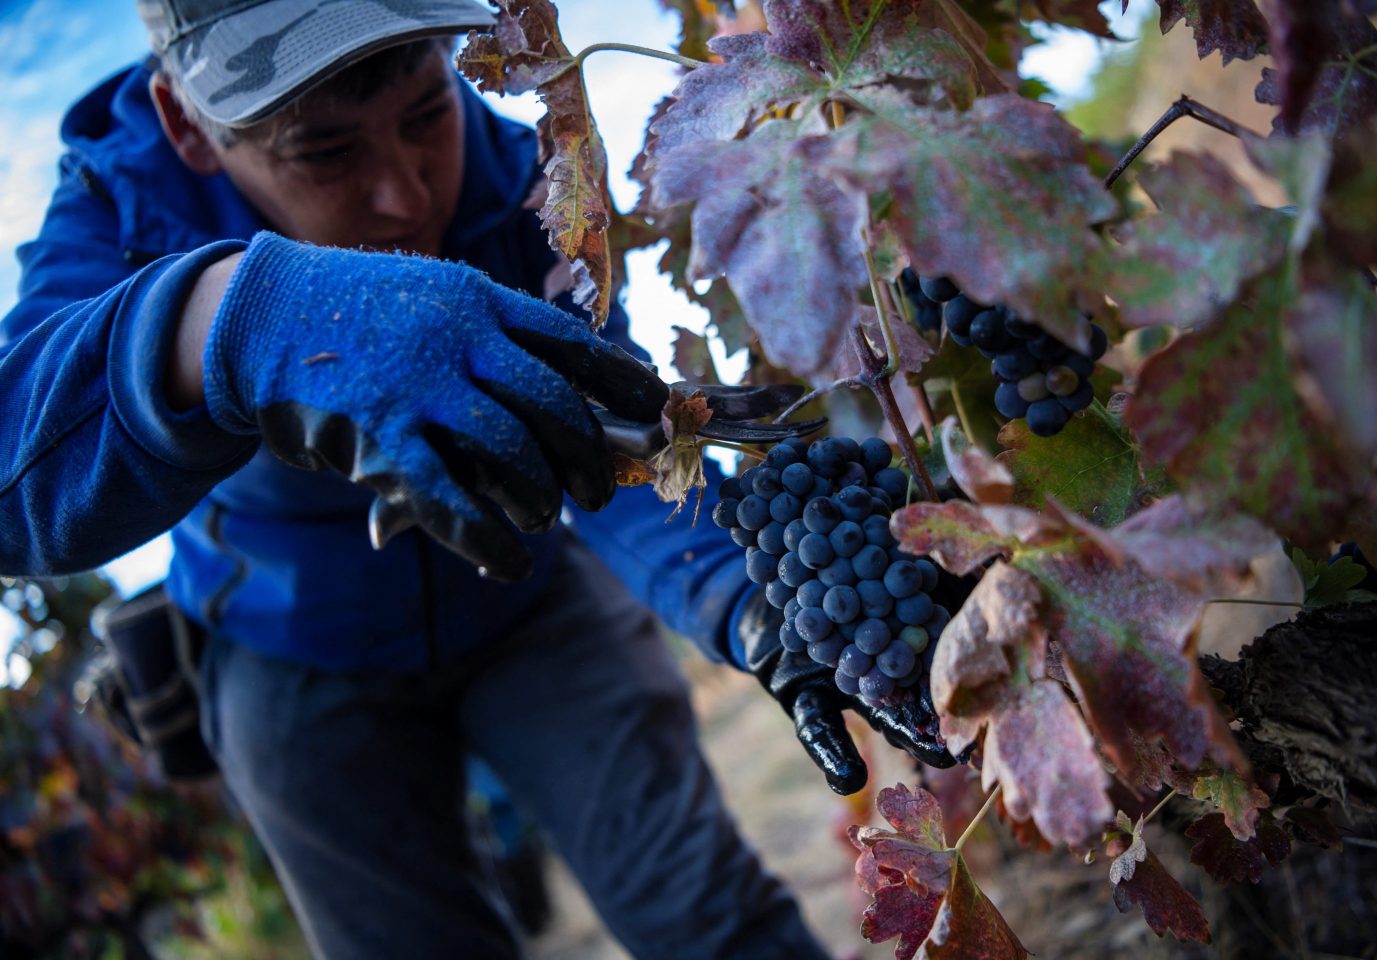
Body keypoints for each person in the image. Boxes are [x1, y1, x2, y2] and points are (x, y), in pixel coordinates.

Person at [0, 2, 951, 957]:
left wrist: (745, 599)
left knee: (705, 913)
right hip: (290, 647)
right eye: (325, 153)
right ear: (185, 126)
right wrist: (227, 316)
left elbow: (616, 448)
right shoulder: (122, 207)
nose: (405, 195)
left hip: (532, 609)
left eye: (427, 115)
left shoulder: (524, 180)